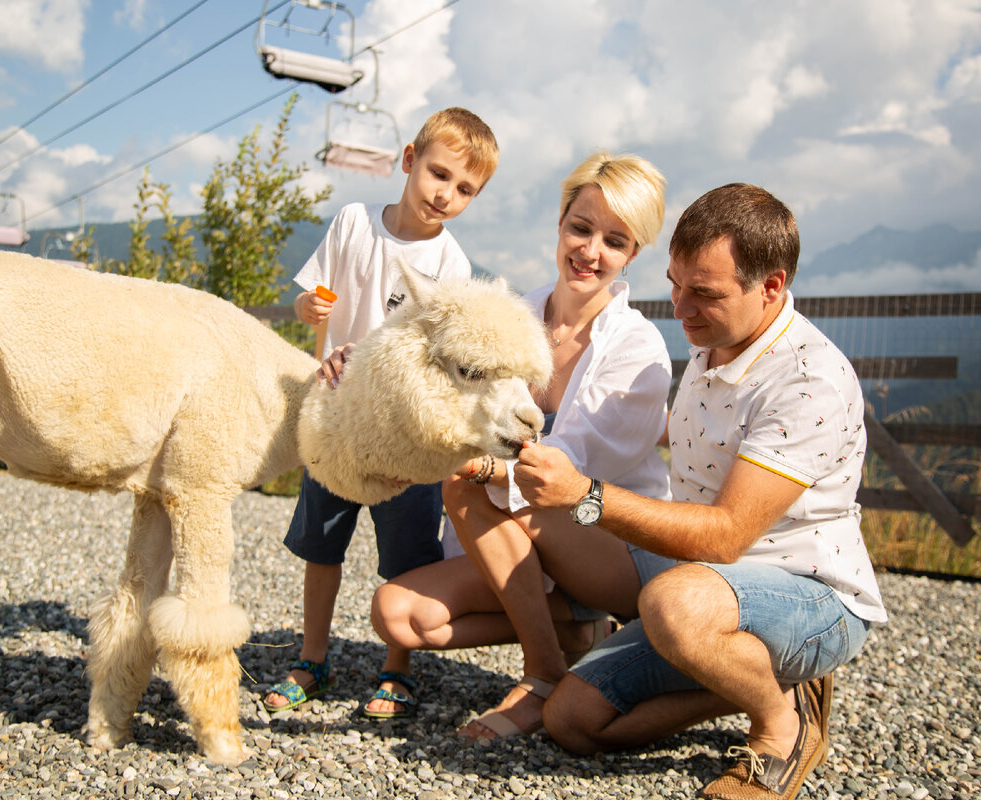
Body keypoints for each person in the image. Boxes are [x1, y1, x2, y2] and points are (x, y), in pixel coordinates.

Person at [515, 183, 887, 800]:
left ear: (771, 285)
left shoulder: (806, 380)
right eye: (675, 284)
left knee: (671, 603)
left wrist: (588, 493)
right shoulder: (716, 343)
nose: (680, 308)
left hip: (813, 597)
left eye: (705, 294)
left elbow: (726, 535)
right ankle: (746, 680)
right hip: (712, 589)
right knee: (572, 722)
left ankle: (779, 729)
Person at [368, 152, 676, 735]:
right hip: (520, 536)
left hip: (606, 541)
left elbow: (563, 477)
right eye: (580, 228)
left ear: (633, 254)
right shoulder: (512, 316)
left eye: (614, 240)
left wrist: (453, 457)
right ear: (560, 223)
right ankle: (574, 630)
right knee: (400, 616)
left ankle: (542, 676)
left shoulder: (638, 351)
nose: (589, 251)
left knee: (463, 475)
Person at [265, 107, 500, 717]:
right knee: (322, 546)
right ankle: (311, 656)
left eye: (465, 189)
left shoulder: (452, 266)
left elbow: (436, 359)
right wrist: (307, 311)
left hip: (405, 436)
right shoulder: (353, 224)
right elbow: (311, 298)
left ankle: (397, 669)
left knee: (407, 556)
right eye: (439, 174)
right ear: (408, 160)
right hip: (338, 419)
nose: (445, 195)